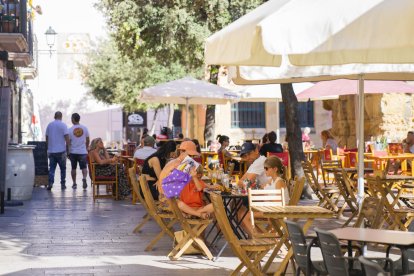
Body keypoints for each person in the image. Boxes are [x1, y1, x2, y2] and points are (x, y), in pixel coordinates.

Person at [45, 111, 69, 190]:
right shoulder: (63, 125)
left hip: (51, 151)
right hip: (61, 151)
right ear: (61, 117)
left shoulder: (50, 125)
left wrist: (48, 147)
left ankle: (50, 183)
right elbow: (66, 138)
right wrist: (68, 149)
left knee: (52, 168)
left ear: (54, 116)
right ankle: (63, 184)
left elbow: (47, 138)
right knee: (63, 168)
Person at [68, 113, 90, 190]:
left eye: (71, 118)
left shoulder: (70, 130)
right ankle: (84, 178)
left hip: (73, 152)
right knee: (84, 167)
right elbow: (88, 140)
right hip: (83, 152)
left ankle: (74, 183)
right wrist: (86, 147)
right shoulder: (85, 128)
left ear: (73, 119)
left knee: (73, 168)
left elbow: (68, 142)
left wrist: (68, 152)